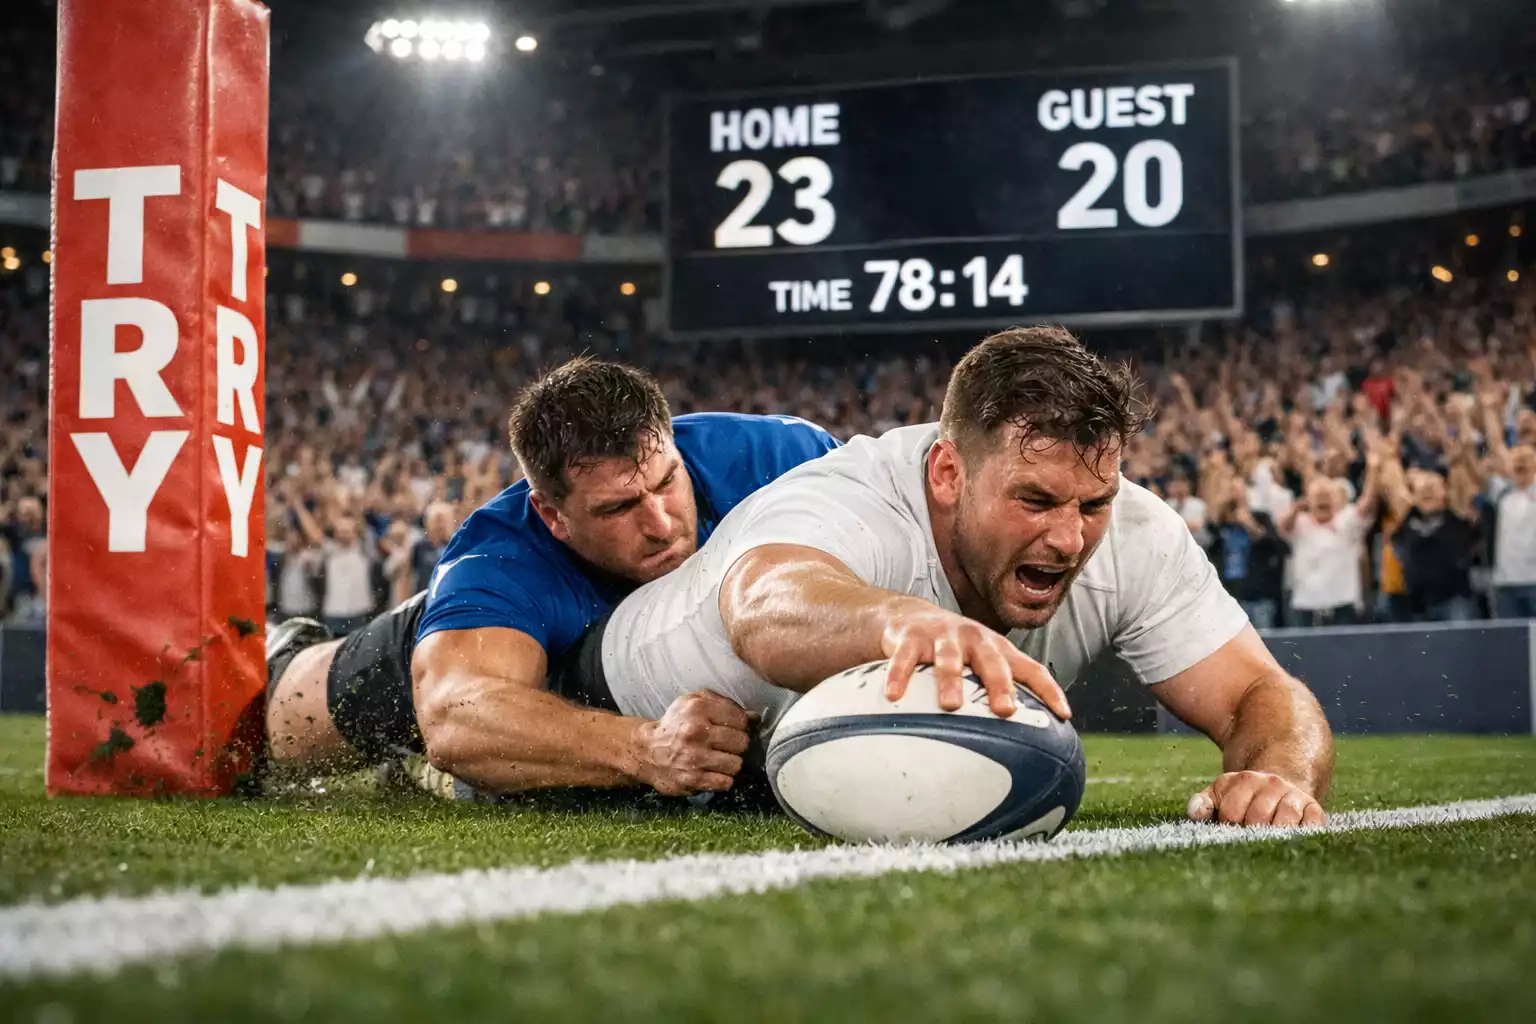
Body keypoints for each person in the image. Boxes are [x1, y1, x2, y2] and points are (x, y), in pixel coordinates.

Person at [548, 328, 1333, 828]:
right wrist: (907, 623)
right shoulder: (854, 497)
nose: (1069, 538)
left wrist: (1277, 778)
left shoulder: (1134, 532)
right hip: (597, 691)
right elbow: (761, 604)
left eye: (1092, 503)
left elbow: (1259, 692)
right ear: (949, 472)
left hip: (750, 760)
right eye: (1034, 500)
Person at [264, 356, 840, 798]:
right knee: (284, 729)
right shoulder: (501, 558)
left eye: (667, 482)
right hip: (471, 650)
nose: (661, 525)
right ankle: (286, 656)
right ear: (552, 515)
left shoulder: (780, 459)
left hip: (590, 660)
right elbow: (453, 716)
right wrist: (647, 748)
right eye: (618, 508)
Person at [1279, 466, 1380, 627]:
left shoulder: (1347, 521)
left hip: (1341, 604)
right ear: (1308, 500)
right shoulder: (1300, 523)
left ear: (1336, 500)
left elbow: (1366, 505)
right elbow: (1282, 528)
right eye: (1317, 496)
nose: (1322, 499)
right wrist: (1295, 509)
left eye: (1327, 495)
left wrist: (1373, 470)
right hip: (1306, 604)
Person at [1384, 467, 1481, 622]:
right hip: (1417, 604)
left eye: (1432, 487)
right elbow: (1393, 484)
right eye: (1422, 490)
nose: (1426, 492)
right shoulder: (1407, 518)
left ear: (1445, 491)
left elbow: (1461, 480)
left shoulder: (1457, 517)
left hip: (1455, 602)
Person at [1207, 477, 1288, 629]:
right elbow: (1209, 544)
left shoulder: (1261, 517)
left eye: (1237, 490)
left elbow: (1274, 546)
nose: (1234, 495)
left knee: (1264, 638)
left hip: (1257, 595)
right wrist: (1221, 513)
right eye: (1230, 491)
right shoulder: (1220, 526)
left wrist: (1249, 524)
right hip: (1228, 596)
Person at [1487, 444, 1536, 618]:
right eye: (1516, 459)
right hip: (1505, 583)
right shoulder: (1502, 494)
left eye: (1526, 458)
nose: (1521, 462)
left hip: (1534, 580)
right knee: (1508, 634)